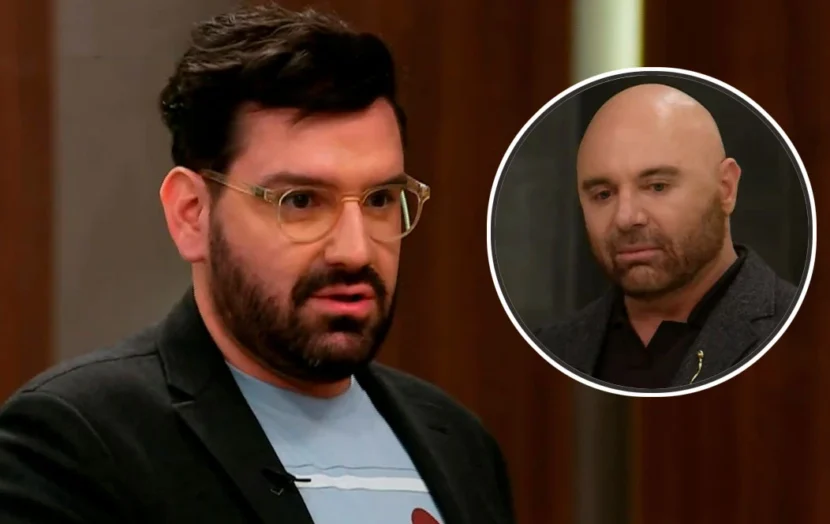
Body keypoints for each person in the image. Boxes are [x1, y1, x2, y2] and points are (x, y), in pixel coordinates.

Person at [0, 5, 515, 523]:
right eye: (301, 201)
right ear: (192, 213)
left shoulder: (459, 444)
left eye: (380, 200)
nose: (355, 250)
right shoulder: (76, 442)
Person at [536, 83, 797, 390]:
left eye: (657, 186)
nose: (626, 218)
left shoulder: (806, 335)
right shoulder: (548, 350)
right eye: (603, 194)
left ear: (726, 188)